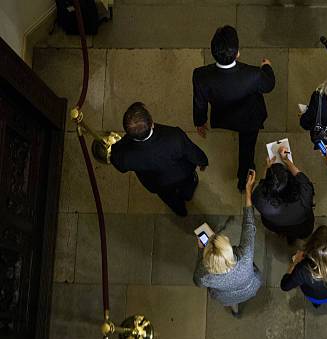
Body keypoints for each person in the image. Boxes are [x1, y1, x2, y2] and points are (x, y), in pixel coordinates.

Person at [192, 25, 275, 191]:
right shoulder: (253, 74)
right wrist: (267, 66)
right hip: (249, 118)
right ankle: (243, 177)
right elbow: (269, 85)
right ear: (237, 53)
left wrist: (200, 121)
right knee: (247, 149)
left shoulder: (200, 75)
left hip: (225, 116)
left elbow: (199, 102)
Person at [280, 146, 327, 306]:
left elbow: (285, 285)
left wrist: (294, 262)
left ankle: (317, 303)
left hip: (315, 295)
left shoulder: (304, 270)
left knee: (316, 298)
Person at [111, 102, 208, 217]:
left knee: (169, 198)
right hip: (182, 173)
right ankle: (188, 194)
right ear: (152, 124)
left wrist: (122, 142)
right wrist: (202, 161)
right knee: (188, 185)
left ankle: (180, 211)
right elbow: (191, 151)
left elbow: (118, 163)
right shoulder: (174, 136)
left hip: (157, 183)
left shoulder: (125, 156)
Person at [193, 170, 262, 317]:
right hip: (250, 288)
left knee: (232, 302)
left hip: (226, 297)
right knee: (242, 296)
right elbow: (249, 225)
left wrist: (201, 251)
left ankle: (235, 310)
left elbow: (197, 283)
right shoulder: (244, 257)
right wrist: (248, 192)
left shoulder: (204, 274)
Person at [252, 146, 315, 243]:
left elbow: (262, 183)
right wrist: (286, 160)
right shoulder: (305, 194)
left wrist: (267, 167)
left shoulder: (259, 198)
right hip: (302, 227)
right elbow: (300, 177)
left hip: (275, 225)